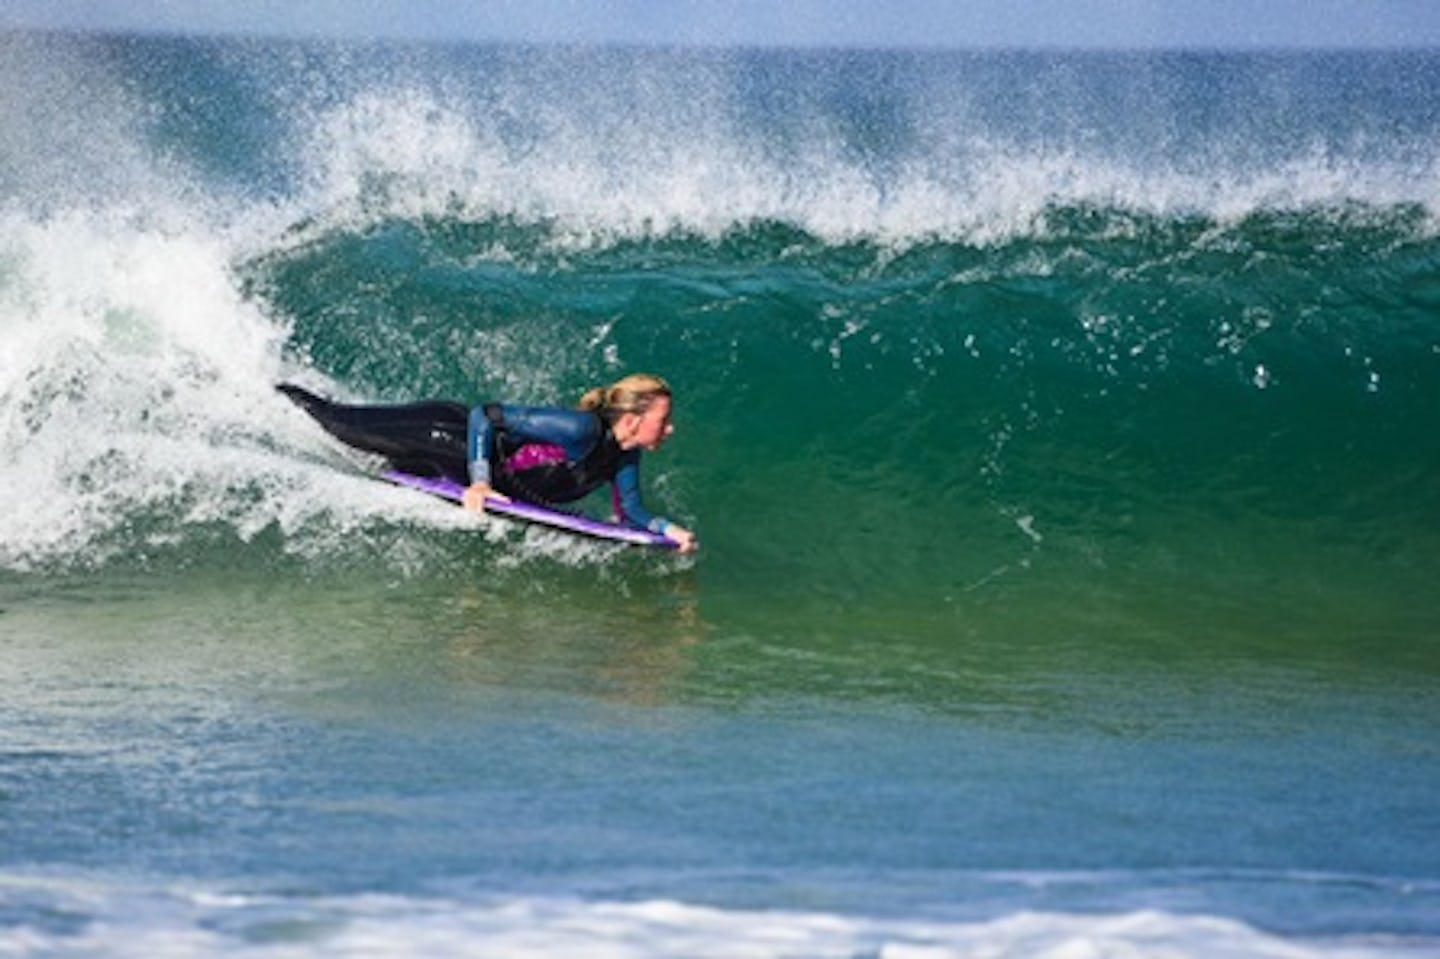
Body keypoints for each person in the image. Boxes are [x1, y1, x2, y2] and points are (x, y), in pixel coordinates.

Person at [276, 374, 697, 553]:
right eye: (664, 421)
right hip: (445, 434)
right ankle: (267, 394)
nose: (671, 430)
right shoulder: (578, 429)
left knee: (383, 457)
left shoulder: (625, 454)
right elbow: (485, 415)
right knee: (335, 422)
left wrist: (668, 531)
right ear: (632, 419)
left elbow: (632, 511)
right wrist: (478, 483)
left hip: (451, 461)